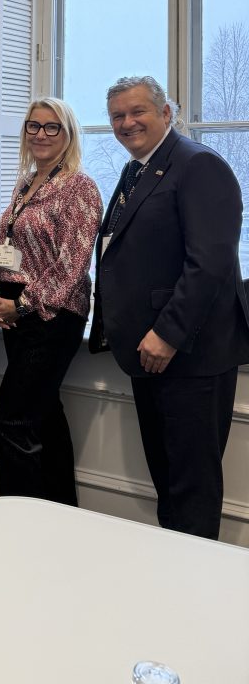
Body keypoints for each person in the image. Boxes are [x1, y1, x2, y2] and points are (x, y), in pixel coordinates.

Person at [89, 74, 249, 539]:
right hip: (149, 354)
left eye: (137, 111)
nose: (126, 123)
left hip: (189, 353)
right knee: (168, 481)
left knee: (191, 487)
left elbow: (210, 262)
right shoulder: (137, 168)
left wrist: (168, 334)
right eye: (117, 115)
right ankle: (170, 585)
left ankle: (196, 595)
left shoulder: (199, 165)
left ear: (166, 112)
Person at [0, 98, 102, 505]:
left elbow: (72, 265)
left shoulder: (79, 187)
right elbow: (9, 250)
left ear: (68, 134)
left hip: (54, 318)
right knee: (45, 418)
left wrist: (23, 303)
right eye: (34, 126)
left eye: (52, 127)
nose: (41, 134)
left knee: (10, 422)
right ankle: (61, 514)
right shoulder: (25, 182)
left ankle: (22, 525)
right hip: (19, 315)